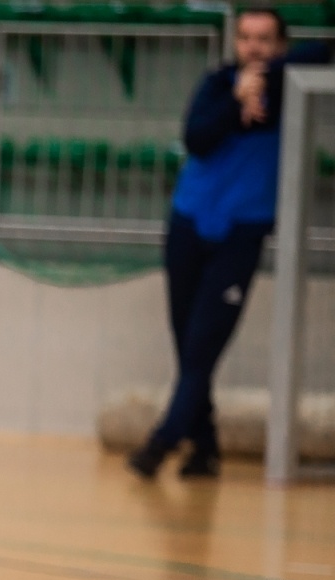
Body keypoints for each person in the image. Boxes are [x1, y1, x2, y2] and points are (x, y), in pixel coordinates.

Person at [128, 8, 332, 479]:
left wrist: (265, 79)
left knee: (203, 346)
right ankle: (205, 447)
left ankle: (162, 441)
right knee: (186, 342)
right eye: (245, 38)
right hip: (189, 222)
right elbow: (196, 137)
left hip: (242, 230)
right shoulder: (218, 82)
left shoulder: (288, 88)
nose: (253, 47)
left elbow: (323, 52)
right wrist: (237, 101)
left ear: (280, 45)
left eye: (264, 39)